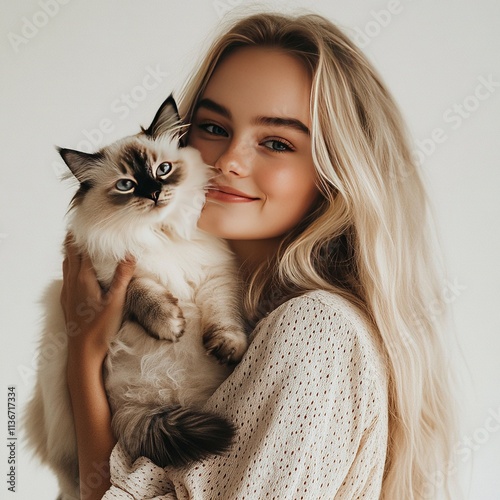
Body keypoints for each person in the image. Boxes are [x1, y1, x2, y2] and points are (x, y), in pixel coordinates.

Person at [61, 11, 459, 500]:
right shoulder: (242, 320)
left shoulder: (314, 331)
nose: (229, 161)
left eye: (276, 142)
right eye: (212, 127)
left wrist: (84, 356)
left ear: (335, 173)